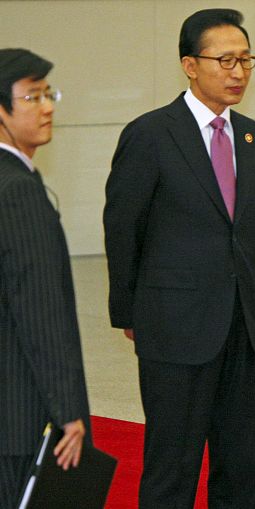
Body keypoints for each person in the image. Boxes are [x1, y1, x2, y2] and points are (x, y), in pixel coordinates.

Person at [103, 9, 255, 508]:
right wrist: (130, 313)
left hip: (243, 324)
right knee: (172, 468)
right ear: (190, 65)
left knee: (241, 468)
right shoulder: (152, 133)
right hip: (173, 325)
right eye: (225, 60)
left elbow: (243, 227)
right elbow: (123, 227)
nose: (238, 72)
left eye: (246, 60)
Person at [0, 48, 91, 508]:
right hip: (18, 416)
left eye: (48, 95)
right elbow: (39, 311)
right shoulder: (17, 191)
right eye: (31, 97)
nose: (47, 107)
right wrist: (68, 411)